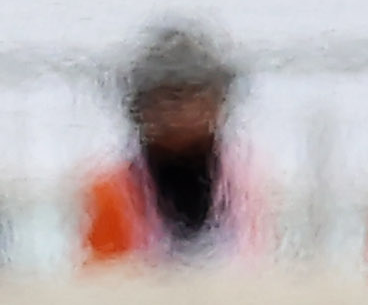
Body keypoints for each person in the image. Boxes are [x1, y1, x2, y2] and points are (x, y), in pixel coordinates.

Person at [79, 21, 268, 268]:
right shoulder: (111, 192)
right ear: (139, 108)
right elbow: (101, 279)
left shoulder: (249, 186)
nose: (182, 114)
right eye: (167, 99)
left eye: (195, 96)